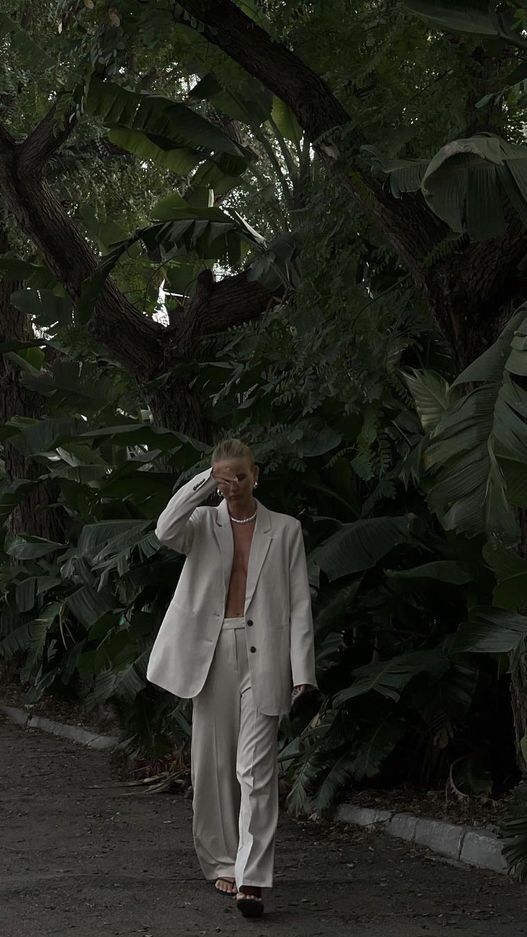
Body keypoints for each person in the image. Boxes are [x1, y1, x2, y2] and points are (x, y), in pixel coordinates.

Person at [146, 437, 317, 918]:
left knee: (256, 770)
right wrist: (205, 481)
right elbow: (164, 530)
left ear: (256, 474)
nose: (235, 485)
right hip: (212, 651)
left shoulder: (285, 529)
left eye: (241, 475)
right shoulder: (201, 523)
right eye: (226, 477)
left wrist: (303, 670)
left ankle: (253, 879)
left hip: (266, 656)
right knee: (212, 768)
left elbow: (300, 603)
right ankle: (223, 862)